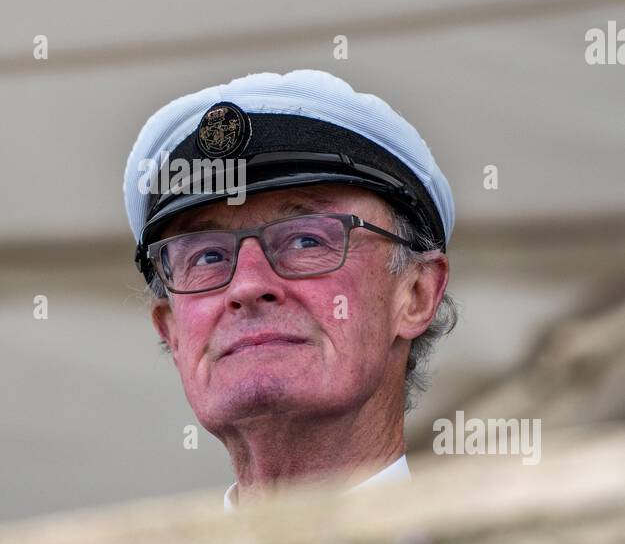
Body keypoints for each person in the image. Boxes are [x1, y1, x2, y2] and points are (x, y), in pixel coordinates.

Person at [123, 70, 457, 508]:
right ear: (172, 333)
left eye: (306, 240)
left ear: (416, 294)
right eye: (206, 256)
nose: (247, 285)